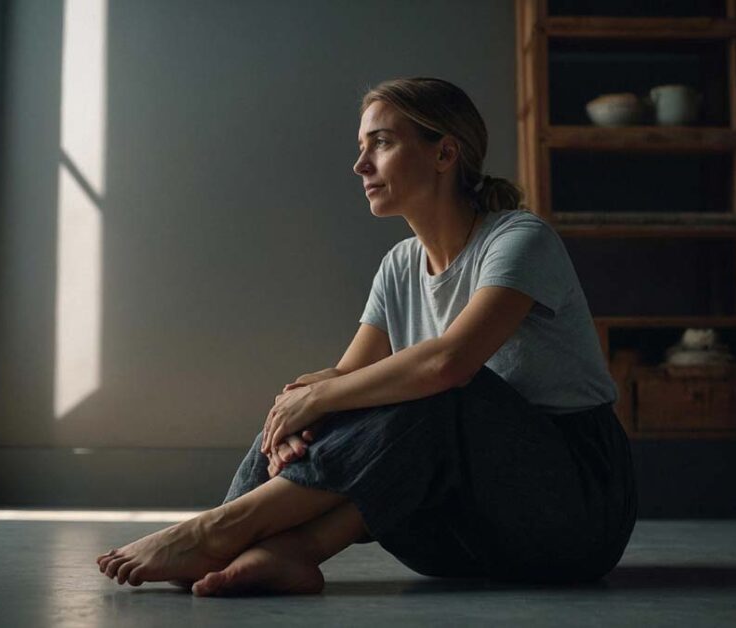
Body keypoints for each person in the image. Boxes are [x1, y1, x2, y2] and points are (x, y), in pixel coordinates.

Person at [95, 77, 637, 596]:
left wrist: (318, 398)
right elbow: (345, 381)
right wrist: (299, 405)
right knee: (340, 400)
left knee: (441, 388)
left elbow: (448, 365)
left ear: (445, 154)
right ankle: (288, 548)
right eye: (362, 147)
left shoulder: (520, 240)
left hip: (571, 517)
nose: (360, 165)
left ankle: (217, 531)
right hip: (458, 538)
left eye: (380, 143)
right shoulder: (400, 265)